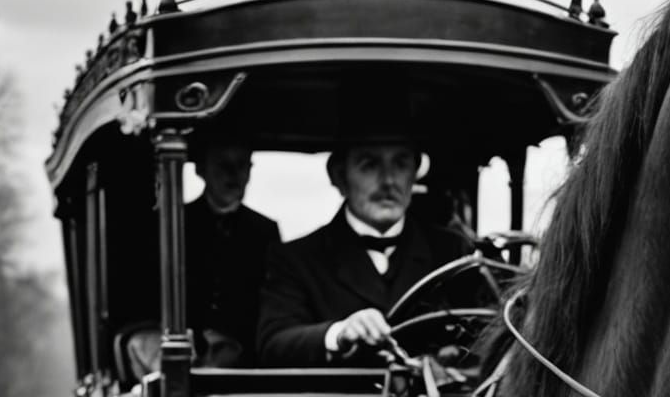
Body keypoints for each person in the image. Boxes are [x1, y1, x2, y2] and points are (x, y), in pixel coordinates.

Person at [257, 106, 467, 366]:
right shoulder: (295, 259)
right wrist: (338, 334)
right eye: (370, 165)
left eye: (400, 164)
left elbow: (488, 335)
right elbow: (273, 345)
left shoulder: (455, 253)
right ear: (339, 176)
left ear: (414, 174)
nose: (388, 180)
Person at [184, 131, 281, 366]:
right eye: (223, 165)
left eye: (242, 165)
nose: (234, 174)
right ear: (201, 170)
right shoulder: (177, 222)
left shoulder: (265, 230)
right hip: (188, 353)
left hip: (246, 358)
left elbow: (271, 298)